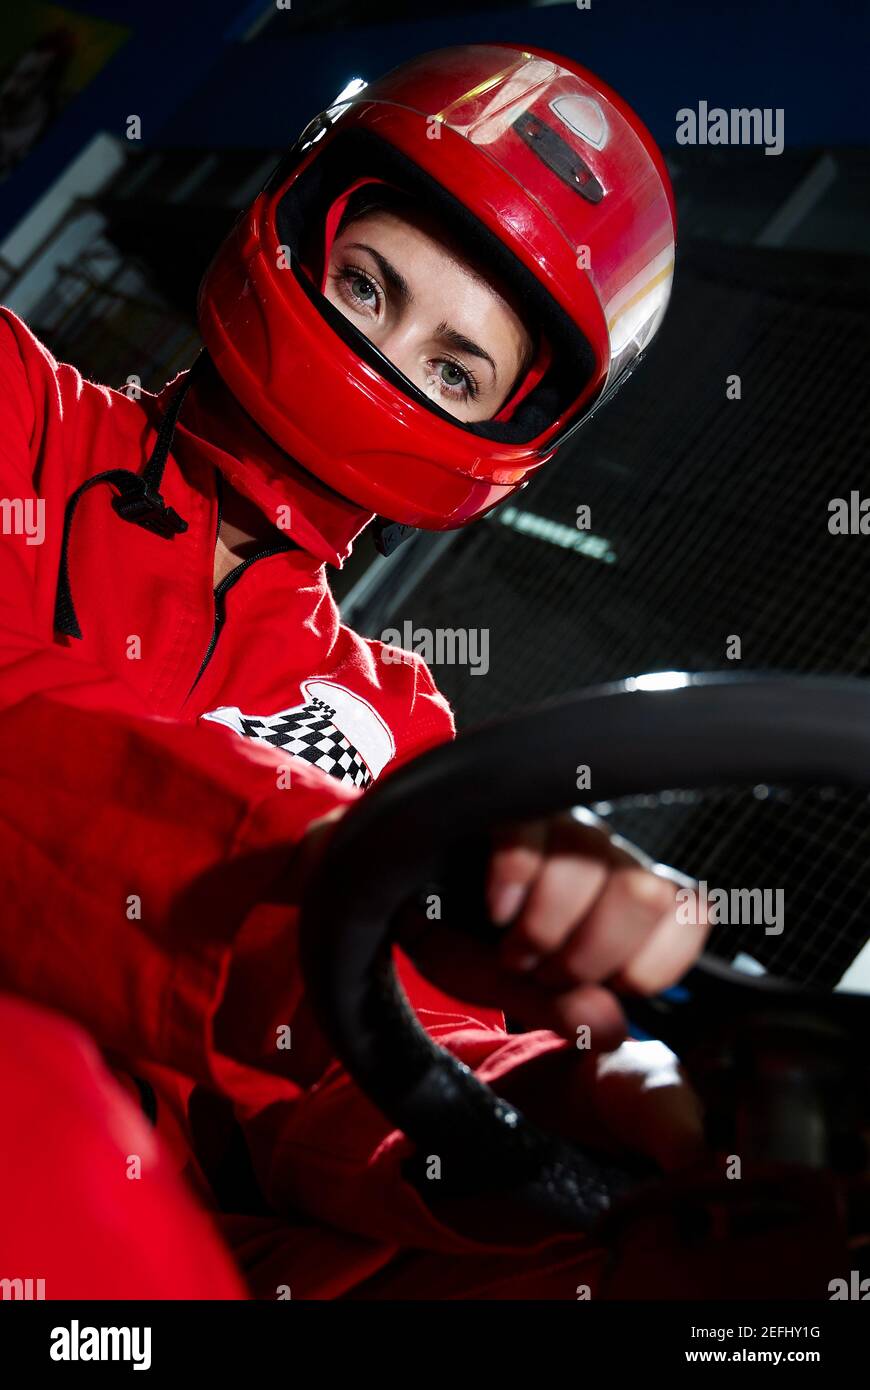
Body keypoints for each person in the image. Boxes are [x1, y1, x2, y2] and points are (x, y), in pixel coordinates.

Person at [0, 43, 705, 1300]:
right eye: (370, 286)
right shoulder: (18, 420)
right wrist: (327, 873)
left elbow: (379, 1053)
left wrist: (566, 1102)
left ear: (508, 438)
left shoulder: (394, 722)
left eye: (453, 368)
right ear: (296, 227)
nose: (385, 364)